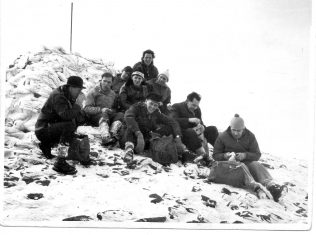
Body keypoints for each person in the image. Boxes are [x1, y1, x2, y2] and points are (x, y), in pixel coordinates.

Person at [210, 114, 288, 202]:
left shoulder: (250, 136)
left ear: (243, 129)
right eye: (233, 130)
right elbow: (215, 155)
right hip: (228, 165)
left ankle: (272, 187)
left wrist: (245, 155)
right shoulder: (222, 136)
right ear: (230, 127)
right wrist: (225, 155)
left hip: (246, 162)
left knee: (256, 164)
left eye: (238, 131)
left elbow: (257, 154)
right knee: (241, 166)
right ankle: (257, 188)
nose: (236, 133)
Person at [35, 76, 87, 175]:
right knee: (69, 126)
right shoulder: (58, 96)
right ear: (71, 87)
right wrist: (78, 105)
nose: (80, 92)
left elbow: (73, 116)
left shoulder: (67, 94)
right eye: (79, 89)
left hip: (49, 127)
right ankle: (60, 163)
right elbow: (66, 115)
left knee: (73, 125)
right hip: (42, 130)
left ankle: (46, 144)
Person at [121, 93, 187, 164]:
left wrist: (178, 137)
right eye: (151, 103)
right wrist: (138, 133)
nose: (152, 107)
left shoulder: (157, 113)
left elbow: (173, 122)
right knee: (130, 126)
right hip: (128, 137)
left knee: (168, 128)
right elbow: (128, 117)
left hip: (145, 139)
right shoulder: (136, 107)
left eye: (155, 105)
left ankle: (180, 151)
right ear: (146, 101)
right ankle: (129, 151)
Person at [170, 92, 218, 158]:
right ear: (187, 101)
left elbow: (200, 121)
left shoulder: (197, 109)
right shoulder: (177, 106)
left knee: (212, 129)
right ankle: (203, 156)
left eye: (197, 106)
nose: (195, 108)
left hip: (197, 132)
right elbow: (172, 120)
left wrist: (202, 127)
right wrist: (189, 120)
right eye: (193, 105)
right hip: (184, 133)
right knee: (190, 132)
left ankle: (219, 152)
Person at [83, 72, 124, 145]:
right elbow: (86, 108)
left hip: (108, 115)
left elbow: (115, 107)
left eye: (109, 82)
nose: (106, 84)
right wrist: (101, 110)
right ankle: (105, 137)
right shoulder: (93, 92)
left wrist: (112, 111)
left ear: (111, 83)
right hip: (96, 117)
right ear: (101, 80)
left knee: (120, 115)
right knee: (103, 115)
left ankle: (113, 132)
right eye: (104, 81)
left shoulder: (113, 94)